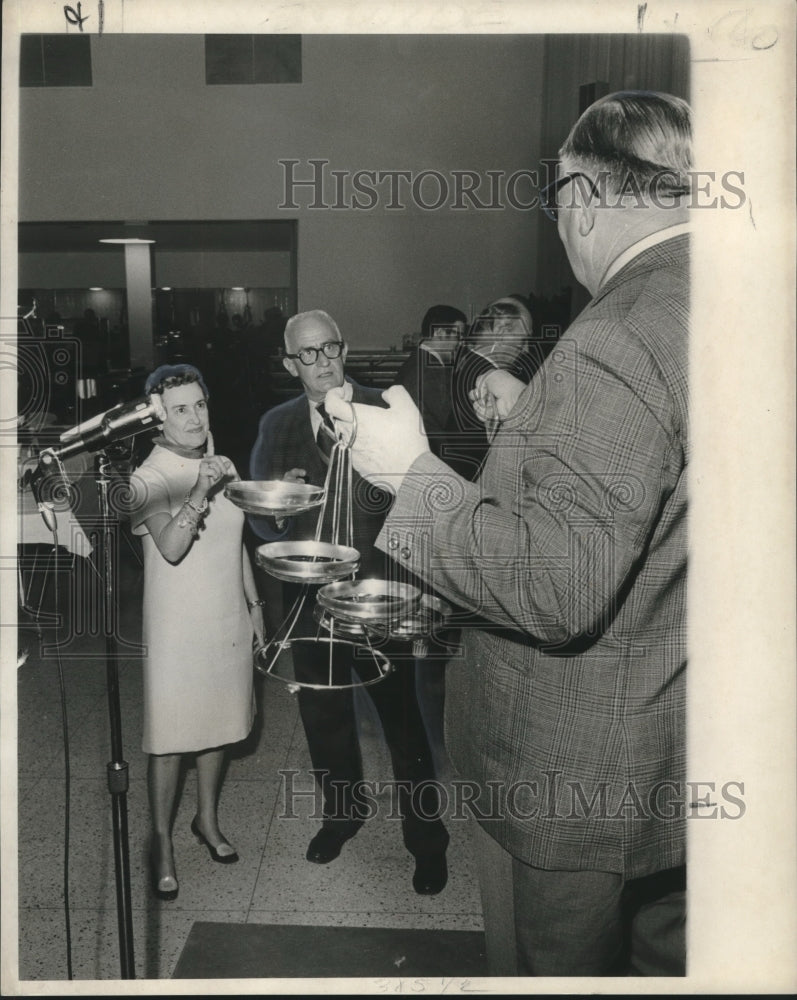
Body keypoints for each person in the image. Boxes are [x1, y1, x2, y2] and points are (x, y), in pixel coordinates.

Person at [325, 91, 691, 975]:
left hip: (571, 771)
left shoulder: (618, 335)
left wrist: (407, 472)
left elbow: (561, 588)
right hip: (667, 742)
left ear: (580, 194)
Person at [248, 309, 450, 894]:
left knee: (404, 722)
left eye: (330, 347)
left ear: (344, 348)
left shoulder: (385, 411)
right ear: (290, 364)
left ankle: (427, 840)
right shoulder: (279, 424)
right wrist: (283, 508)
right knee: (324, 715)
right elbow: (265, 525)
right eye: (307, 354)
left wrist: (414, 592)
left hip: (379, 593)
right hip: (309, 602)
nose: (322, 361)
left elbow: (423, 502)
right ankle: (343, 813)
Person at [129, 363, 264, 901]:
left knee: (219, 722)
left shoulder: (218, 463)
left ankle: (206, 820)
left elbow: (235, 543)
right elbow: (173, 547)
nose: (194, 417)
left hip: (225, 613)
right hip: (176, 623)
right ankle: (161, 840)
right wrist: (203, 490)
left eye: (200, 405)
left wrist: (254, 607)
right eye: (180, 409)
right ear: (159, 418)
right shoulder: (147, 476)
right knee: (169, 735)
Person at [395, 304, 467, 459]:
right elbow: (446, 431)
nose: (461, 343)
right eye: (458, 336)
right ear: (439, 332)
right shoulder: (431, 371)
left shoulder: (419, 361)